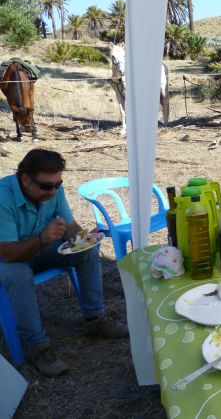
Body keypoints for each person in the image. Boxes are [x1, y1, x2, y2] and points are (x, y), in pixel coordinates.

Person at [0, 149, 128, 377]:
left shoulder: (52, 190)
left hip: (37, 250)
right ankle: (38, 347)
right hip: (8, 258)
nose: (53, 191)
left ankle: (94, 319)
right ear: (25, 179)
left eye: (57, 185)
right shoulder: (3, 197)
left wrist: (85, 238)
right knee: (18, 275)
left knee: (88, 251)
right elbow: (8, 253)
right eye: (46, 186)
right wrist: (42, 239)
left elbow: (70, 226)